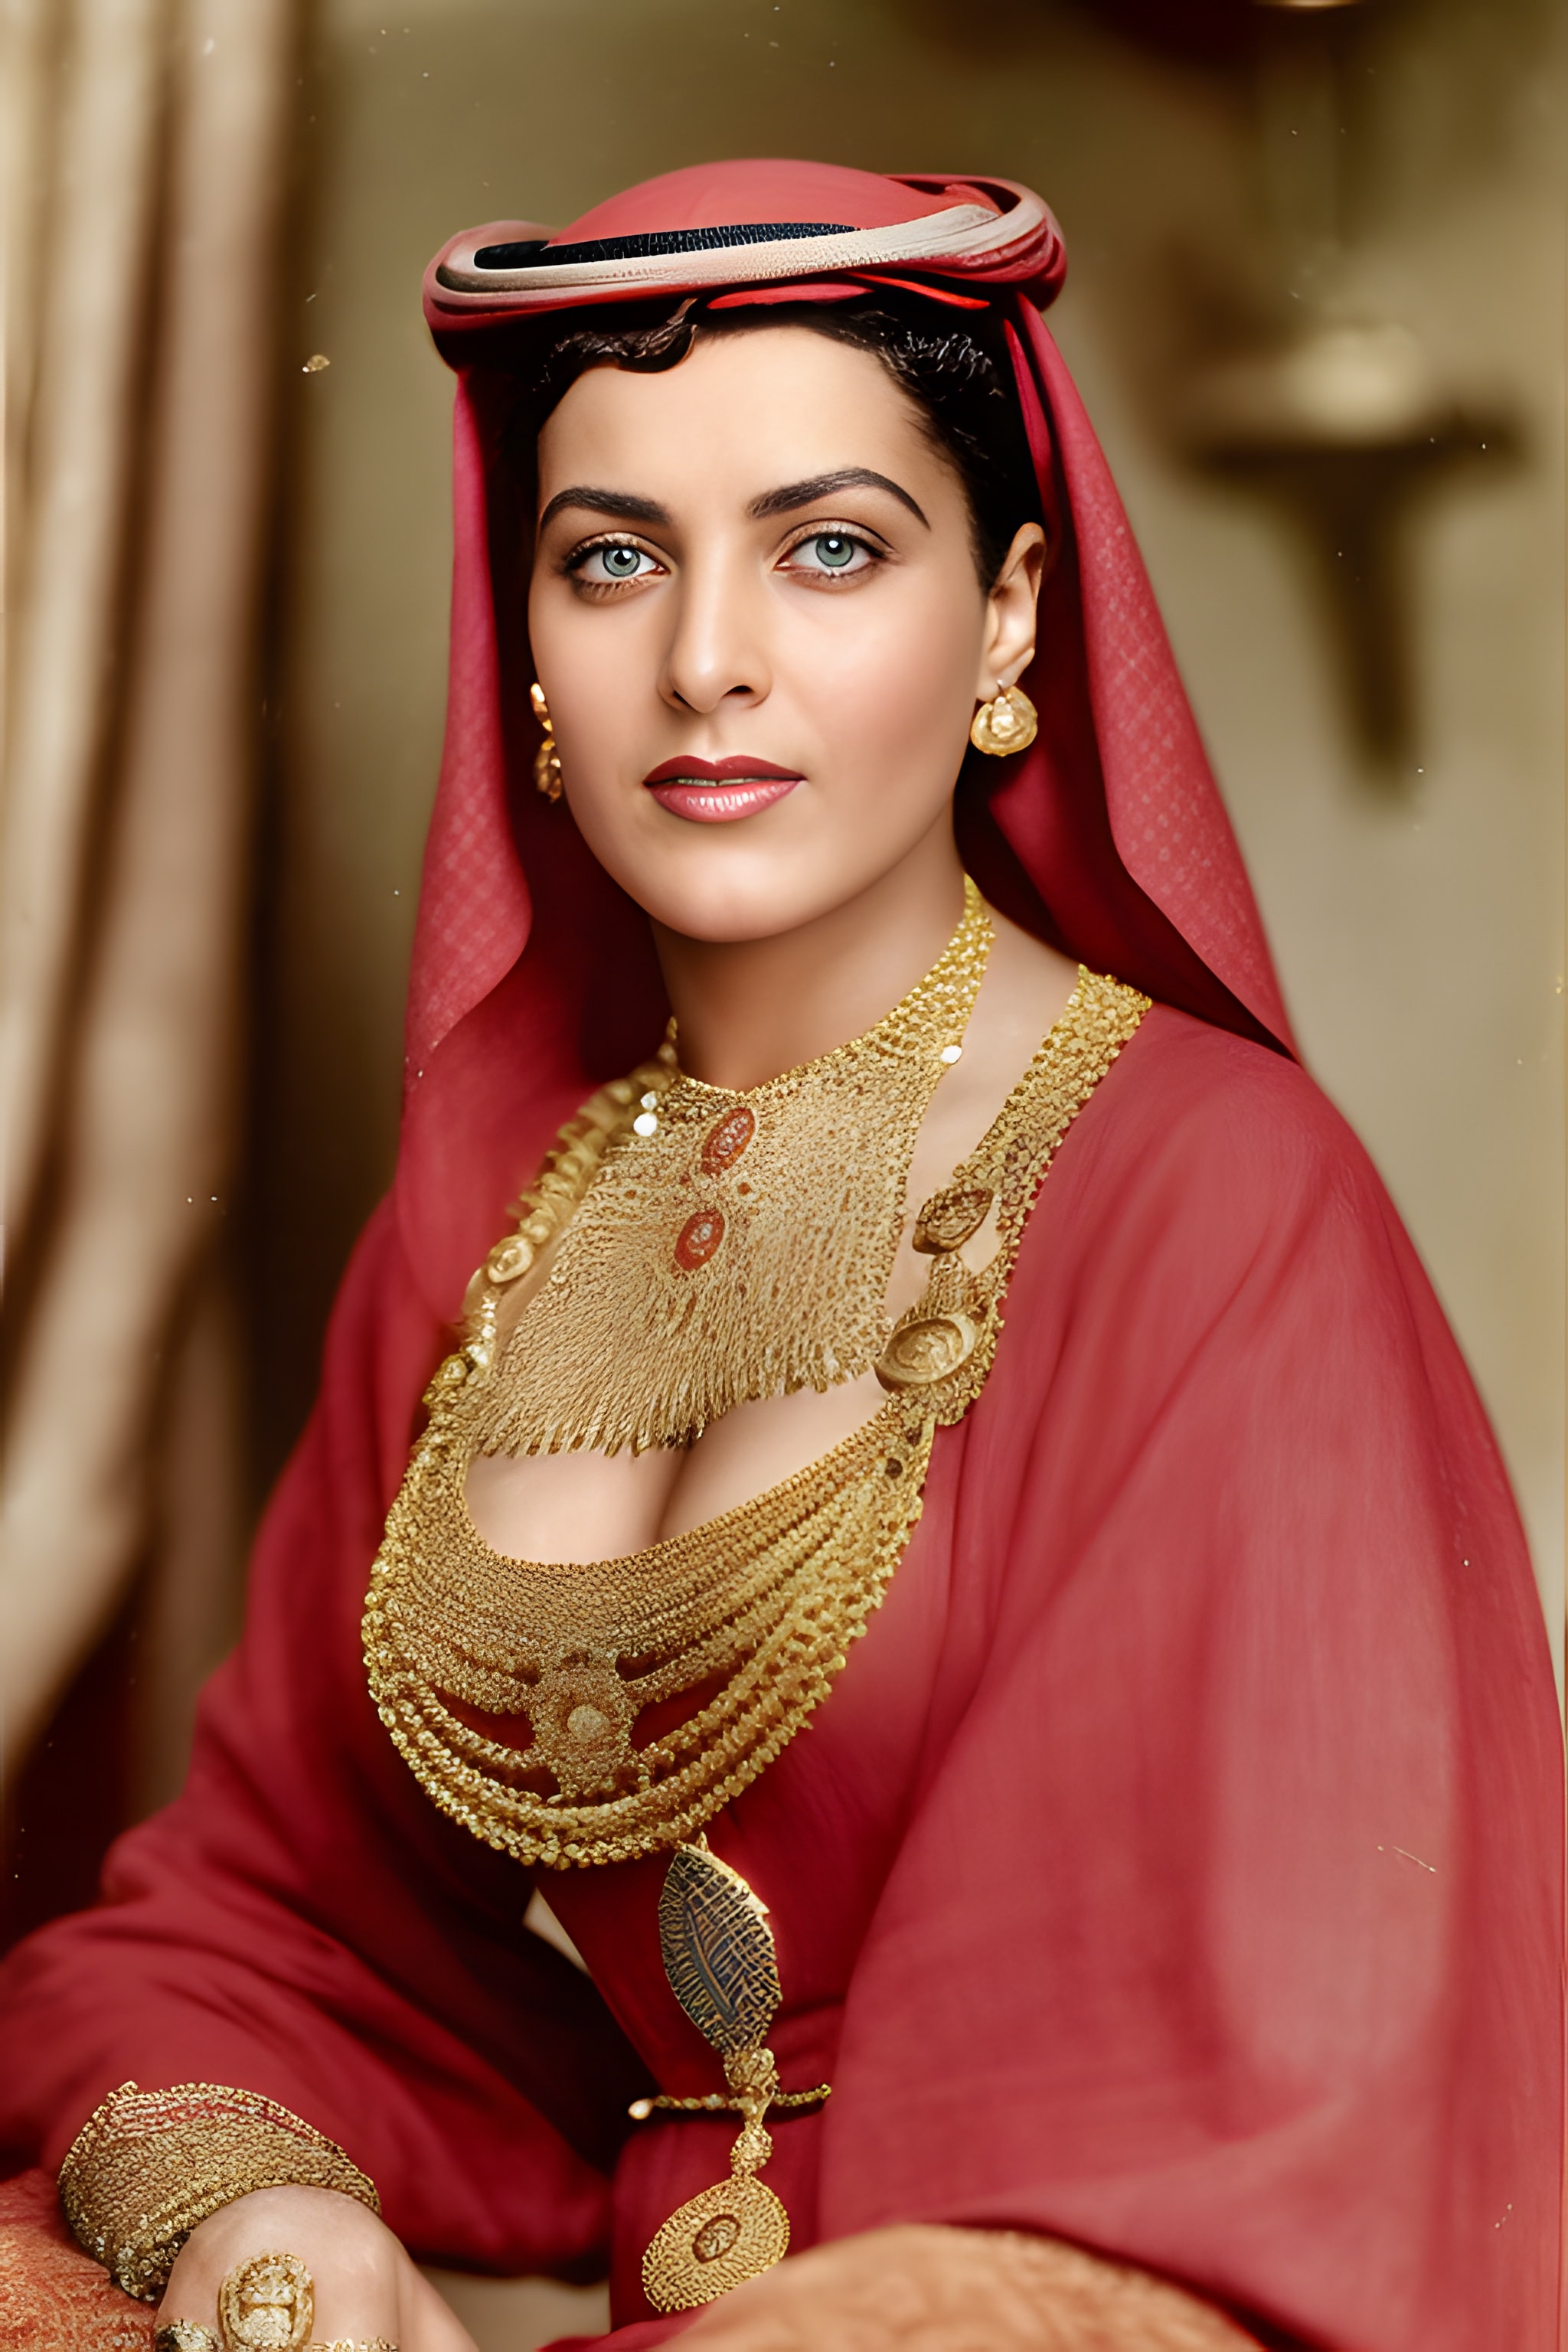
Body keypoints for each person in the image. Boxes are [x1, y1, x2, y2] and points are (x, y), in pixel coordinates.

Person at [0, 160, 1559, 2352]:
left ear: (1010, 616)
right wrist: (268, 2209)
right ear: (526, 640)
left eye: (829, 548)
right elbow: (264, 1924)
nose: (705, 661)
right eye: (612, 559)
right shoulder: (497, 1224)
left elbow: (1247, 2097)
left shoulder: (1208, 1190)